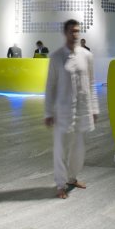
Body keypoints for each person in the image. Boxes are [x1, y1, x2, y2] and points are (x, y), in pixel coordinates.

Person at [44, 19, 99, 199]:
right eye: (71, 31)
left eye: (77, 31)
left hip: (82, 109)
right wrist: (48, 112)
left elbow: (91, 83)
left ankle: (72, 178)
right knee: (60, 149)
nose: (75, 34)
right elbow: (50, 86)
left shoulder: (87, 56)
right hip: (62, 111)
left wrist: (94, 108)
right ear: (65, 33)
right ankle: (60, 184)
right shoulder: (56, 57)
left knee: (79, 149)